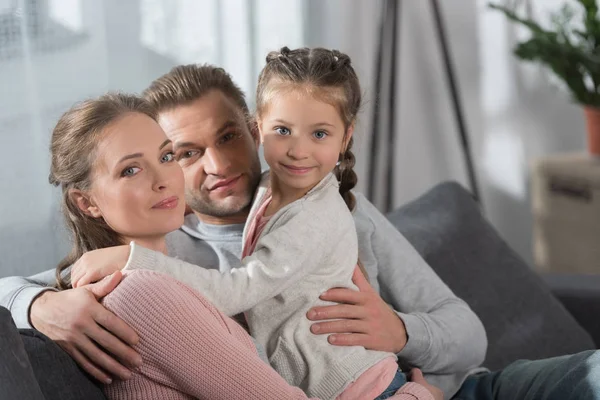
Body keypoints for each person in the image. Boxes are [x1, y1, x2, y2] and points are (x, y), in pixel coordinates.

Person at [0, 62, 486, 398]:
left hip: (460, 385)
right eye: (185, 152)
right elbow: (24, 286)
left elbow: (469, 334)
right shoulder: (163, 251)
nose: (217, 165)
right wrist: (39, 304)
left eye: (228, 137)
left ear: (254, 131)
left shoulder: (327, 205)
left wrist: (399, 331)